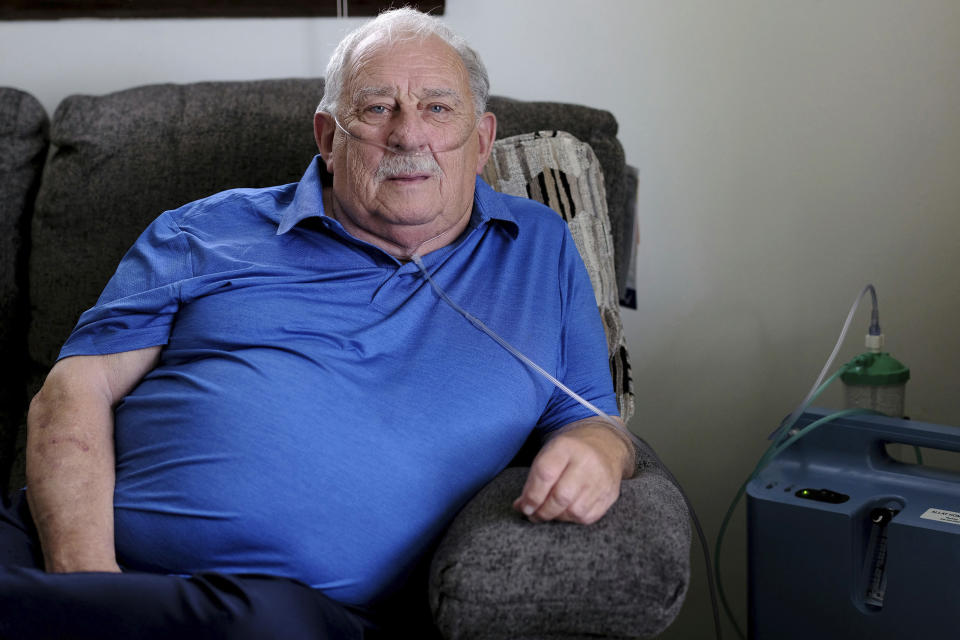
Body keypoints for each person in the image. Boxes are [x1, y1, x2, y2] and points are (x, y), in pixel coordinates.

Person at [0, 7, 635, 639]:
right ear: (328, 136)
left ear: (482, 140)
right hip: (58, 557)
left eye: (438, 108)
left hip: (276, 611)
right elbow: (73, 391)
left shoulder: (537, 246)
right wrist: (86, 583)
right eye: (377, 107)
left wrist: (597, 453)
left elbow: (592, 419)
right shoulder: (204, 230)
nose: (409, 135)